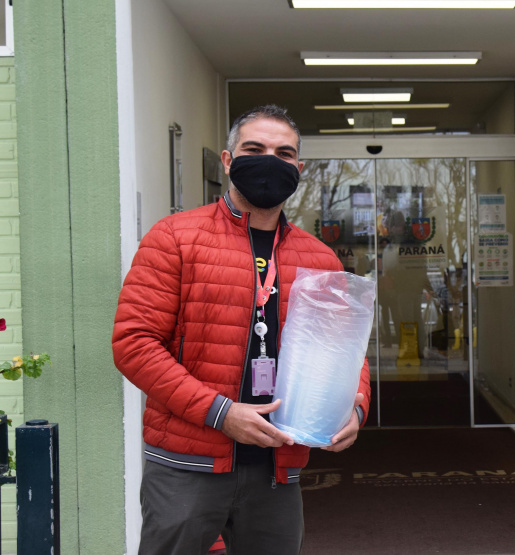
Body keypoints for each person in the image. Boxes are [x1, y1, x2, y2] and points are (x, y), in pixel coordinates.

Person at [112, 105, 371, 555]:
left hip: (277, 466)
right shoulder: (174, 238)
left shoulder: (319, 259)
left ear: (299, 169)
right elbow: (134, 344)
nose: (270, 160)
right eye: (255, 149)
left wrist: (357, 406)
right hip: (187, 464)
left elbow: (344, 352)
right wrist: (221, 412)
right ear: (229, 161)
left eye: (283, 153)